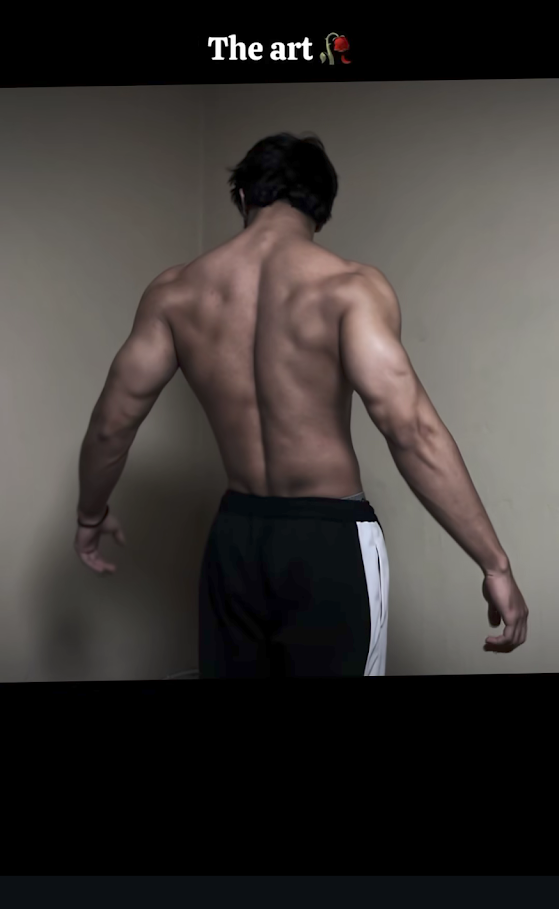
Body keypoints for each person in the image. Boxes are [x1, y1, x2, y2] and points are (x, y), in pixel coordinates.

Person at [74, 132, 528, 676]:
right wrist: (494, 565)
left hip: (235, 536)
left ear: (244, 196)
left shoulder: (175, 293)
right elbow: (410, 430)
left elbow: (111, 426)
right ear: (320, 211)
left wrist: (90, 515)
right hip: (328, 539)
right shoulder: (350, 288)